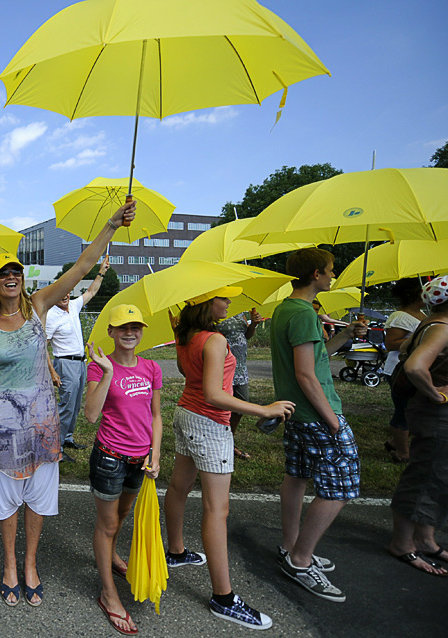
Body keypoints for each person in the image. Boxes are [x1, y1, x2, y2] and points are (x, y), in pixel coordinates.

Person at [0, 199, 137, 608]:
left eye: (16, 271)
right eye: (3, 273)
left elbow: (82, 266)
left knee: (41, 497)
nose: (11, 277)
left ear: (22, 277)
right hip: (4, 425)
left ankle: (31, 564)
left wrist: (111, 226)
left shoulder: (39, 305)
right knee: (8, 497)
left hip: (45, 422)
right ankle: (10, 565)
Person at [165, 287, 295, 630]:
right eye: (224, 298)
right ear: (206, 300)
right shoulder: (214, 339)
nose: (229, 303)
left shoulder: (185, 333)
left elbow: (188, 375)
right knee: (216, 510)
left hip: (186, 414)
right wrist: (262, 409)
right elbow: (215, 394)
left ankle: (176, 552)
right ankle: (224, 598)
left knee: (179, 487)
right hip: (209, 423)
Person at [269, 247, 367, 603]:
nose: (332, 276)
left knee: (296, 477)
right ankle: (300, 559)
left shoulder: (286, 309)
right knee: (341, 487)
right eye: (330, 270)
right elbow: (306, 374)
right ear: (315, 275)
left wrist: (345, 336)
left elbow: (314, 356)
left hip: (297, 413)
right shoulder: (304, 314)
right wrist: (333, 421)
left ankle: (289, 546)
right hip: (317, 414)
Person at [388, 275, 448, 575]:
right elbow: (415, 366)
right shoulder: (440, 328)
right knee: (426, 477)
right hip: (440, 417)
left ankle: (425, 539)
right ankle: (403, 544)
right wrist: (438, 394)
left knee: (443, 480)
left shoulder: (445, 327)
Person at [83, 304, 161, 635]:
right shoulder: (98, 367)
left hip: (140, 460)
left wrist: (155, 453)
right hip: (110, 458)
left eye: (136, 327)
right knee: (108, 523)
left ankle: (112, 555)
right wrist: (110, 373)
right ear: (112, 332)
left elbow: (156, 415)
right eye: (123, 327)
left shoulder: (152, 368)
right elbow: (90, 414)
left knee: (122, 517)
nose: (130, 333)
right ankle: (108, 594)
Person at [46, 257, 110, 462]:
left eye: (67, 291)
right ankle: (55, 447)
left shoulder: (73, 306)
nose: (65, 295)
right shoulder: (50, 316)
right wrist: (52, 371)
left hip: (80, 363)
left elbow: (92, 291)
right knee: (66, 405)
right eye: (61, 292)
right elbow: (42, 347)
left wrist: (101, 272)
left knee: (75, 404)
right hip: (64, 364)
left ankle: (67, 438)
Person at [382, 278, 427, 463]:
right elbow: (390, 344)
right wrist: (419, 341)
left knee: (414, 409)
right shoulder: (400, 317)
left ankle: (395, 441)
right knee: (404, 410)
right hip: (399, 370)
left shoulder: (422, 313)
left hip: (414, 366)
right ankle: (403, 452)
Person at [214, 307, 265, 461]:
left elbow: (246, 335)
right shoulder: (214, 312)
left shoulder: (237, 310)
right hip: (222, 367)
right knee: (221, 408)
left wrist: (253, 325)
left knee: (241, 404)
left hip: (241, 367)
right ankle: (217, 444)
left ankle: (228, 441)